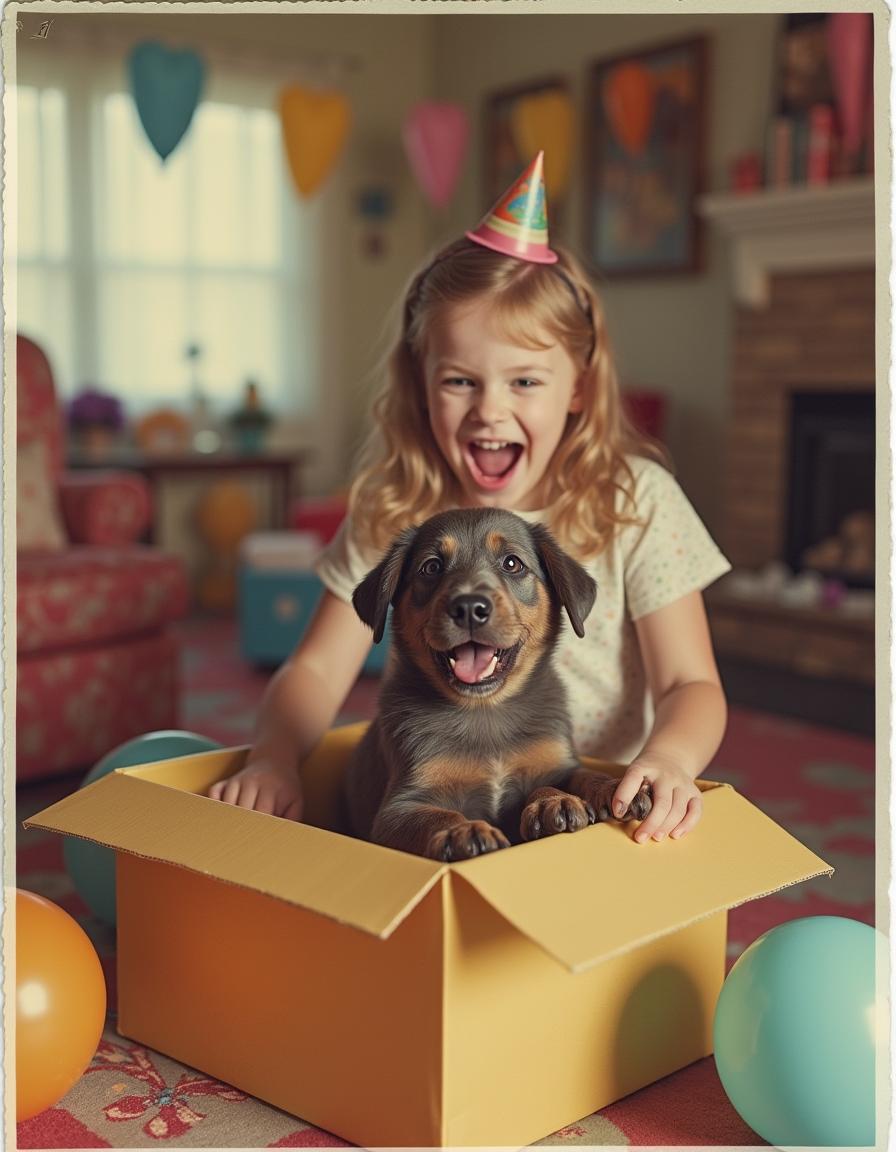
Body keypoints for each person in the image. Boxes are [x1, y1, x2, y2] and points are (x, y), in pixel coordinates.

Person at [209, 152, 730, 844]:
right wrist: (273, 759)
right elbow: (313, 669)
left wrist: (669, 759)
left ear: (577, 386)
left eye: (524, 382)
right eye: (460, 381)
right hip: (443, 815)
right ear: (419, 381)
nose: (490, 411)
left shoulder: (633, 500)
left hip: (597, 824)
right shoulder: (396, 505)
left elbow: (691, 683)